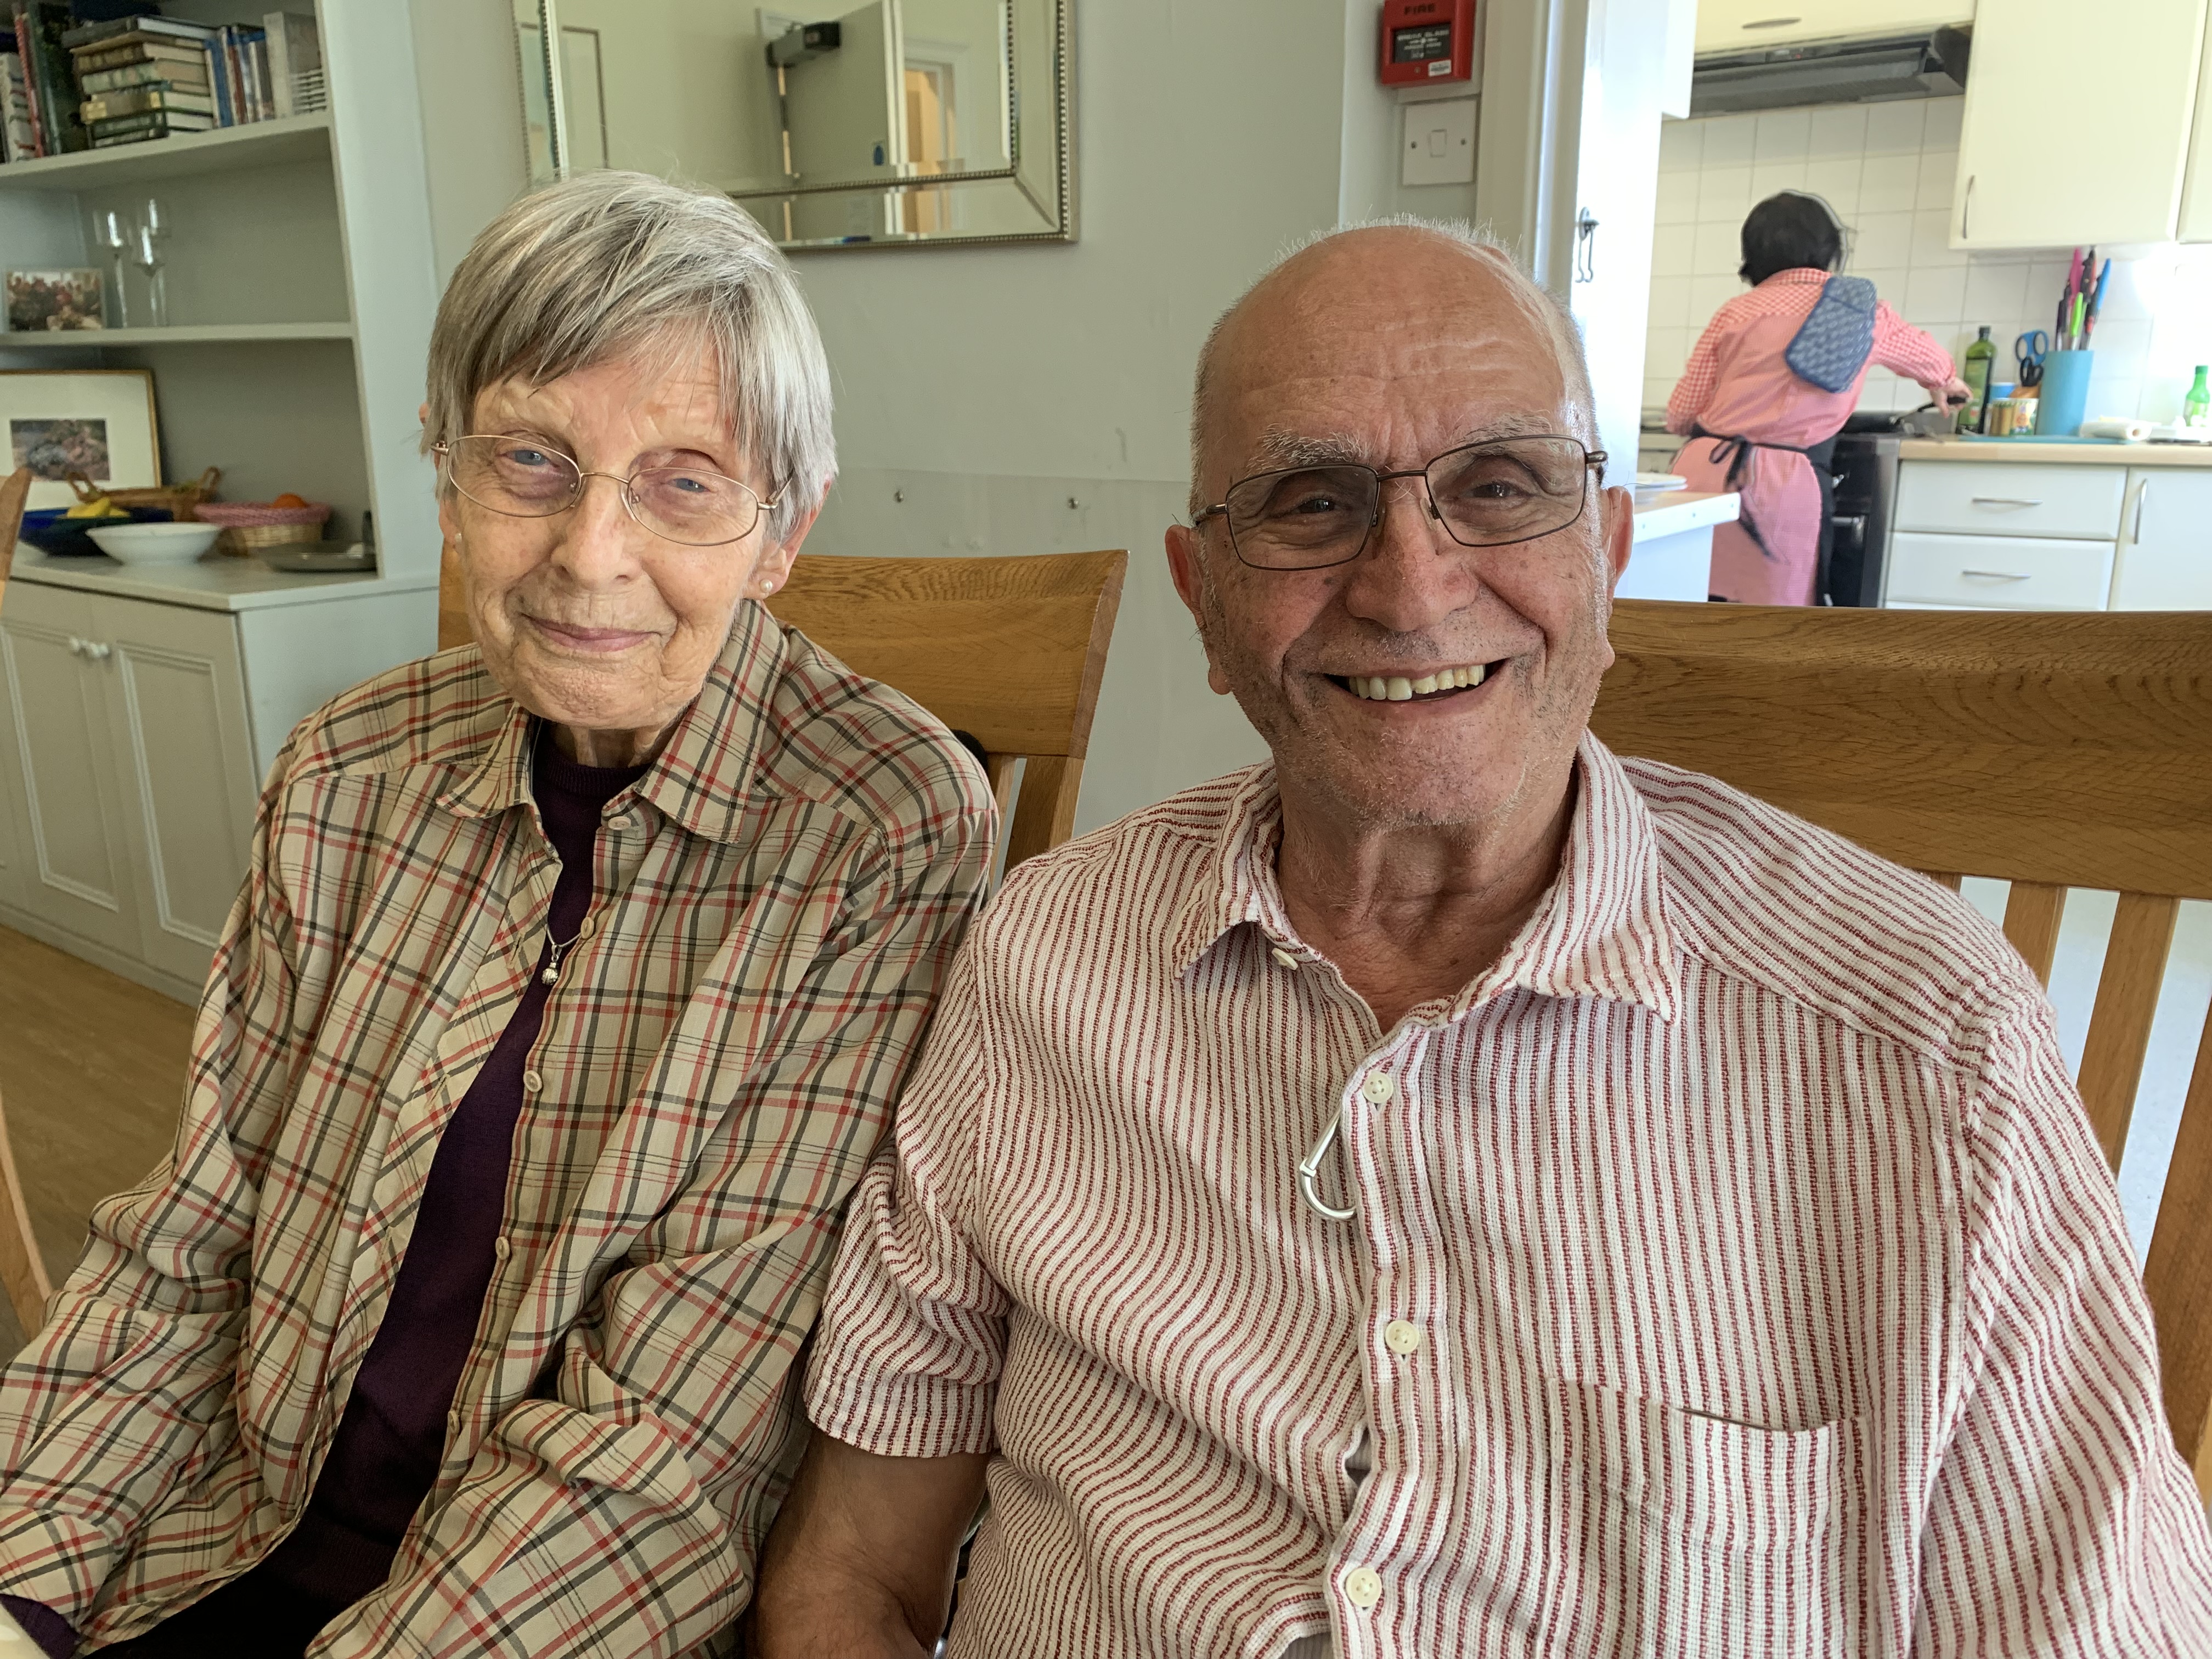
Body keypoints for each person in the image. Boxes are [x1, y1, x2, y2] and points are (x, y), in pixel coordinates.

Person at [749, 221, 2212, 1657]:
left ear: (1610, 556)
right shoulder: (1044, 964)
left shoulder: (1925, 1052)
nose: (1410, 587)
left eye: (1502, 486)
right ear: (1205, 605)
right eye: (1310, 505)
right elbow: (851, 1578)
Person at [0, 171, 994, 1659]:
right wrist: (23, 1582)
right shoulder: (351, 770)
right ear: (448, 475)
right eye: (530, 462)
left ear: (782, 532)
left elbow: (675, 1434)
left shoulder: (881, 834)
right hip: (232, 1534)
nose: (590, 554)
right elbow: (187, 1242)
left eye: (685, 480)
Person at [1668, 190, 1970, 605]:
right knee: (1777, 624)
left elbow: (1681, 414)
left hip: (1700, 476)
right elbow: (1929, 359)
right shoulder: (1857, 310)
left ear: (1751, 257)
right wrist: (1947, 383)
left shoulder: (1735, 312)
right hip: (1783, 484)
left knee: (1687, 606)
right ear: (1831, 251)